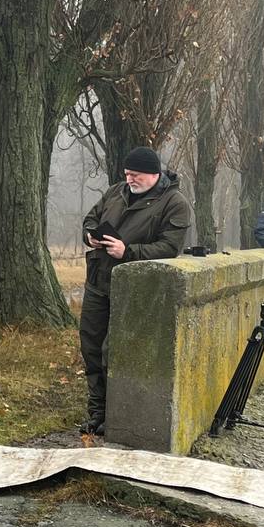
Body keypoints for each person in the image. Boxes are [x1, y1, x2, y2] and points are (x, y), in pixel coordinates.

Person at [79, 146, 192, 436]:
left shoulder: (174, 203)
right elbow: (91, 218)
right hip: (98, 279)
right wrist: (90, 236)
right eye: (127, 174)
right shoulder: (116, 191)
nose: (130, 179)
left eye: (136, 175)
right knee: (91, 345)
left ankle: (118, 414)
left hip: (135, 288)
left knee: (114, 351)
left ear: (154, 174)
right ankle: (97, 412)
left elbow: (170, 247)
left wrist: (128, 251)